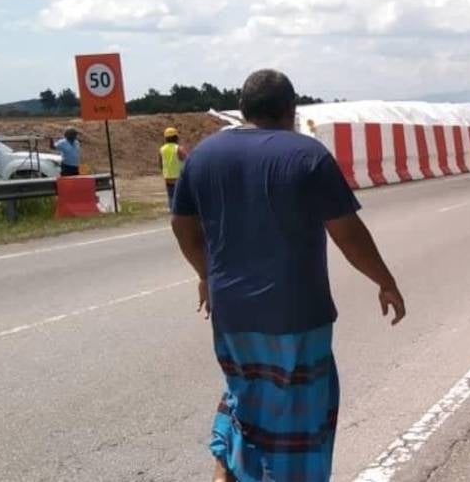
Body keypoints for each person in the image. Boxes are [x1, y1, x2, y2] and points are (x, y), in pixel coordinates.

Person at [169, 69, 405, 482]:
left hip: (233, 317)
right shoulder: (306, 155)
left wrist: (205, 274)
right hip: (297, 318)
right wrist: (385, 281)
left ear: (243, 107)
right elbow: (348, 234)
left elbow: (182, 225)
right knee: (300, 421)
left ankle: (228, 472)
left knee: (245, 400)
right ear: (290, 108)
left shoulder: (203, 156)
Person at [159, 127, 189, 209]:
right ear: (176, 137)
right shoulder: (178, 149)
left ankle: (173, 210)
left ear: (165, 138)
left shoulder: (162, 149)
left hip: (168, 177)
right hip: (178, 177)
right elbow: (188, 161)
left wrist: (164, 172)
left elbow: (161, 163)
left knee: (171, 195)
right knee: (181, 195)